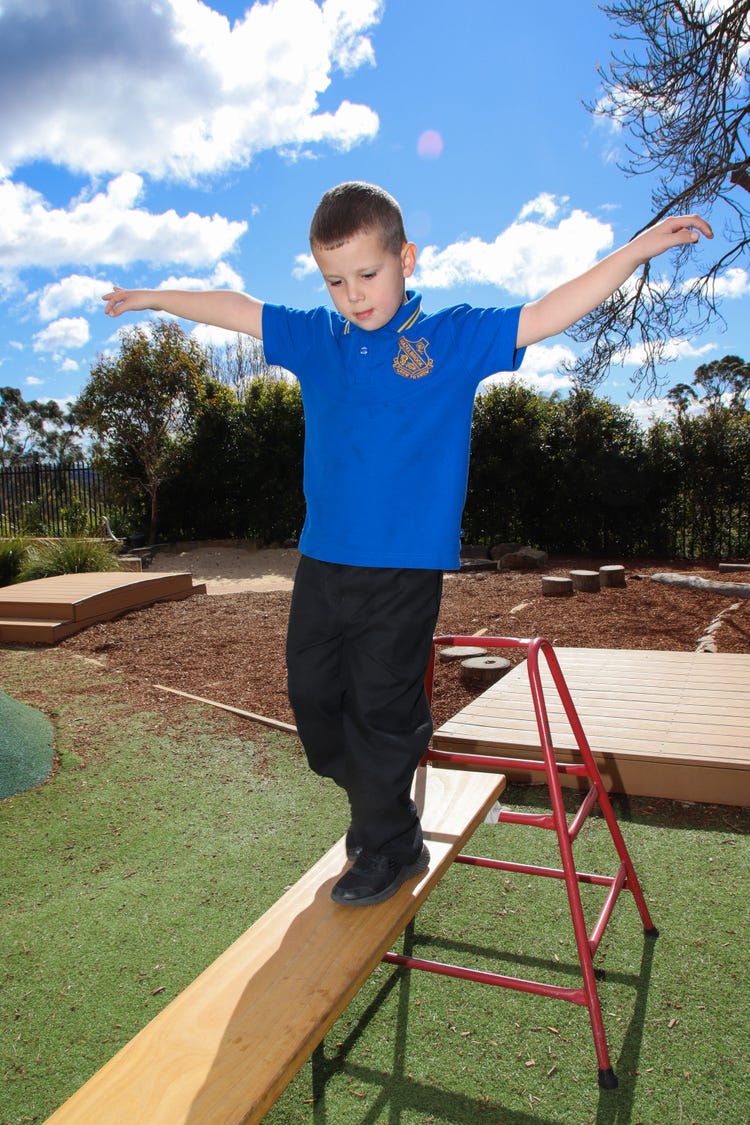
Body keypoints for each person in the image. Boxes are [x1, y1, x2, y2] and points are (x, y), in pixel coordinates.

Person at [103, 181, 711, 907]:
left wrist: (636, 250)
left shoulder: (448, 339)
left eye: (367, 273)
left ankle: (388, 843)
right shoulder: (319, 340)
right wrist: (152, 298)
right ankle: (373, 787)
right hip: (323, 562)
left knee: (382, 709)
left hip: (403, 571)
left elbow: (546, 312)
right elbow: (235, 307)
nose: (353, 295)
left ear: (406, 259)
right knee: (313, 697)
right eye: (335, 281)